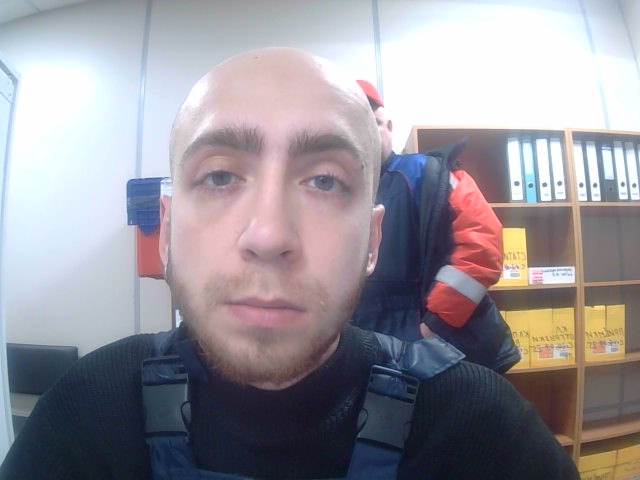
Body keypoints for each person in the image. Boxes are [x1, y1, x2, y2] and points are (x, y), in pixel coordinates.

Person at [0, 47, 578, 479]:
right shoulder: (88, 411)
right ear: (168, 231)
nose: (269, 235)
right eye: (219, 176)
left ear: (372, 240)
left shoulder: (479, 429)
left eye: (324, 181)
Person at [351, 80, 518, 372]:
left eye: (373, 122)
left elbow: (481, 250)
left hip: (439, 343)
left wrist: (435, 325)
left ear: (389, 126)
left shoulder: (429, 173)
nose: (365, 132)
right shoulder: (333, 188)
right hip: (366, 346)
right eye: (355, 124)